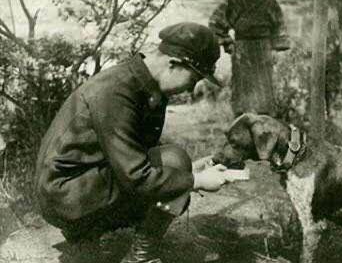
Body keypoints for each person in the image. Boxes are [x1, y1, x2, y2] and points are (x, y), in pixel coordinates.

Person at [35, 22, 228, 263]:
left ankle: (87, 232)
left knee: (177, 164)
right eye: (194, 79)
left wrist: (192, 170)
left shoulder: (140, 81)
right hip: (65, 195)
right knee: (175, 160)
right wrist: (194, 180)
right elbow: (136, 175)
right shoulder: (116, 91)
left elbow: (134, 152)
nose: (191, 89)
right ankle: (139, 257)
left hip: (78, 185)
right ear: (173, 64)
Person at [208, 0, 290, 118]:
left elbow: (279, 26)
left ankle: (264, 121)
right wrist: (228, 43)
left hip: (264, 49)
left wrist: (275, 49)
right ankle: (241, 119)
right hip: (242, 49)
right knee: (242, 87)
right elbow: (216, 22)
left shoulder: (270, 1)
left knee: (264, 88)